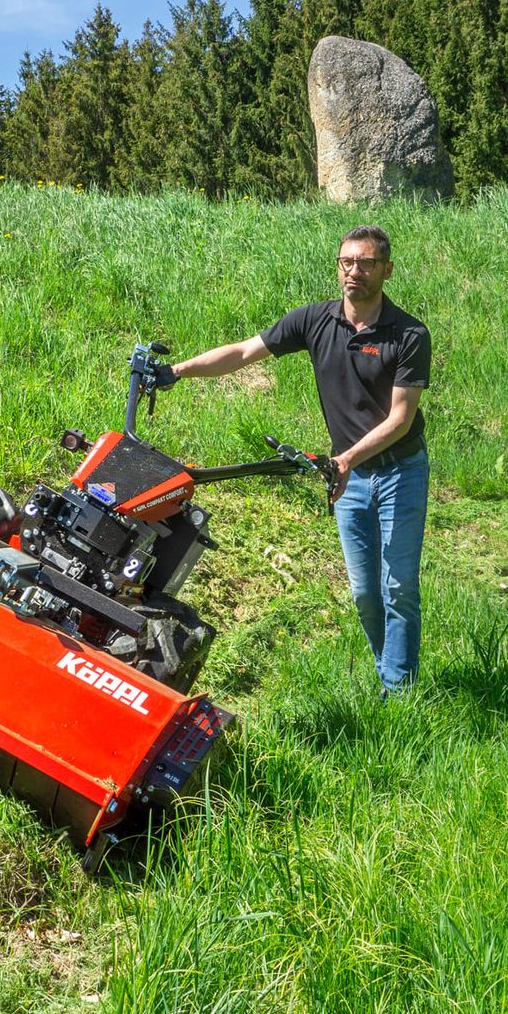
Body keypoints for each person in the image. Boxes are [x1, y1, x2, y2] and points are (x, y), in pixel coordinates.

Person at [166, 225, 431, 693]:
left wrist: (345, 457)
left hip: (399, 473)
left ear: (387, 270)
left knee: (398, 588)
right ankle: (387, 672)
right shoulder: (314, 320)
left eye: (367, 263)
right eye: (347, 262)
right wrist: (178, 370)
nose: (355, 272)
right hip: (347, 478)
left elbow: (402, 419)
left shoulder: (408, 334)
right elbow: (245, 351)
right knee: (367, 593)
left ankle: (397, 690)